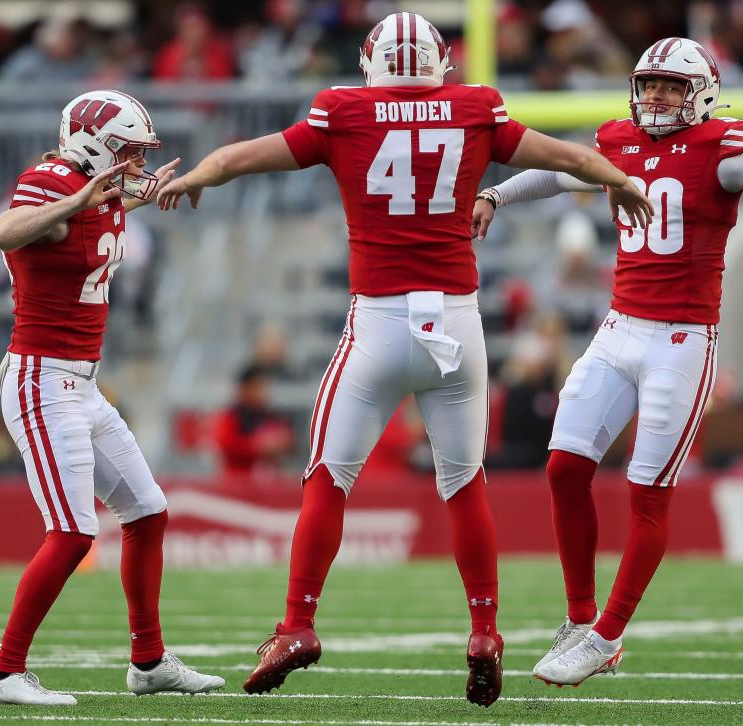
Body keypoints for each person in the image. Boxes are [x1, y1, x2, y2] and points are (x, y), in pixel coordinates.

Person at [157, 12, 651, 707]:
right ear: (439, 63)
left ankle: (298, 624)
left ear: (374, 62)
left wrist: (200, 175)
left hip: (380, 321)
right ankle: (484, 631)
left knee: (328, 476)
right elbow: (566, 156)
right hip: (456, 322)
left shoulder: (344, 109)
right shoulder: (476, 106)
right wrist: (621, 179)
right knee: (464, 482)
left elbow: (245, 156)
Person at [473, 37, 743, 687]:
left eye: (671, 85)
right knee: (563, 468)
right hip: (618, 329)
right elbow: (559, 173)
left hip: (682, 339)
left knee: (647, 492)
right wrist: (497, 196)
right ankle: (583, 622)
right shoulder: (617, 139)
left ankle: (609, 634)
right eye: (649, 84)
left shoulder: (721, 149)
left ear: (701, 92)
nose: (656, 96)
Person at [0, 90, 224, 706]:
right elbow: (4, 231)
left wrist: (172, 185)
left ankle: (148, 662)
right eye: (131, 151)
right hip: (41, 378)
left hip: (80, 384)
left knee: (147, 511)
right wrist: (80, 198)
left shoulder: (98, 184)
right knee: (71, 532)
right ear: (98, 146)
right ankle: (5, 674)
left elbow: (114, 202)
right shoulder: (54, 179)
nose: (138, 162)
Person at [213, 363, 294, 474]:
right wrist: (258, 446)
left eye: (265, 387)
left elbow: (288, 442)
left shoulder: (272, 416)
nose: (263, 393)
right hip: (238, 481)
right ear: (244, 389)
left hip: (269, 483)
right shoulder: (231, 416)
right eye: (257, 387)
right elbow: (226, 444)